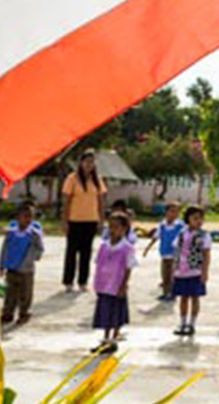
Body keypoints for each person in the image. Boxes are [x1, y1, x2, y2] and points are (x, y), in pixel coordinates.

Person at [91, 211, 137, 355]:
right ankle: (105, 340)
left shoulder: (127, 248)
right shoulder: (104, 246)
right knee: (105, 313)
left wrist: (123, 285)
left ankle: (114, 340)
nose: (112, 230)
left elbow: (129, 268)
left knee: (116, 313)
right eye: (110, 227)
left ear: (124, 229)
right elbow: (98, 264)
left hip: (116, 285)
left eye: (116, 227)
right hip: (104, 285)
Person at [61, 150, 107, 292]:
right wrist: (64, 220)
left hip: (91, 220)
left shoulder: (97, 179)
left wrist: (101, 219)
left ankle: (83, 281)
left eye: (91, 162)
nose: (89, 165)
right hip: (75, 220)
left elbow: (100, 201)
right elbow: (66, 201)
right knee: (71, 252)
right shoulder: (72, 178)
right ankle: (68, 281)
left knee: (86, 252)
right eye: (86, 161)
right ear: (80, 163)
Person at [0, 202, 44, 326]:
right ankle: (8, 312)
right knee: (10, 293)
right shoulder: (11, 233)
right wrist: (1, 265)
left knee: (26, 293)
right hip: (12, 268)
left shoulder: (34, 234)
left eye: (31, 216)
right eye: (25, 216)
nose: (28, 219)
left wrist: (34, 257)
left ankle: (24, 312)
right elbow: (4, 249)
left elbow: (40, 248)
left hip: (27, 270)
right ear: (18, 217)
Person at [173, 206, 211, 336]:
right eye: (195, 218)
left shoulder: (204, 235)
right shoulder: (181, 234)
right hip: (182, 271)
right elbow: (177, 251)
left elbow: (206, 254)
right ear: (188, 219)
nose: (198, 221)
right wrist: (174, 268)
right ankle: (182, 322)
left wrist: (205, 272)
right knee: (183, 298)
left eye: (201, 218)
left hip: (196, 271)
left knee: (195, 298)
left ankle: (192, 324)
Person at [143, 202, 185, 302]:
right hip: (164, 253)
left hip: (175, 253)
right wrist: (147, 249)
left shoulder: (180, 226)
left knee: (171, 274)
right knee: (164, 274)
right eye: (171, 211)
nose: (174, 214)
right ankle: (165, 293)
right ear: (166, 212)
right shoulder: (162, 225)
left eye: (176, 211)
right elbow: (156, 237)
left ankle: (172, 293)